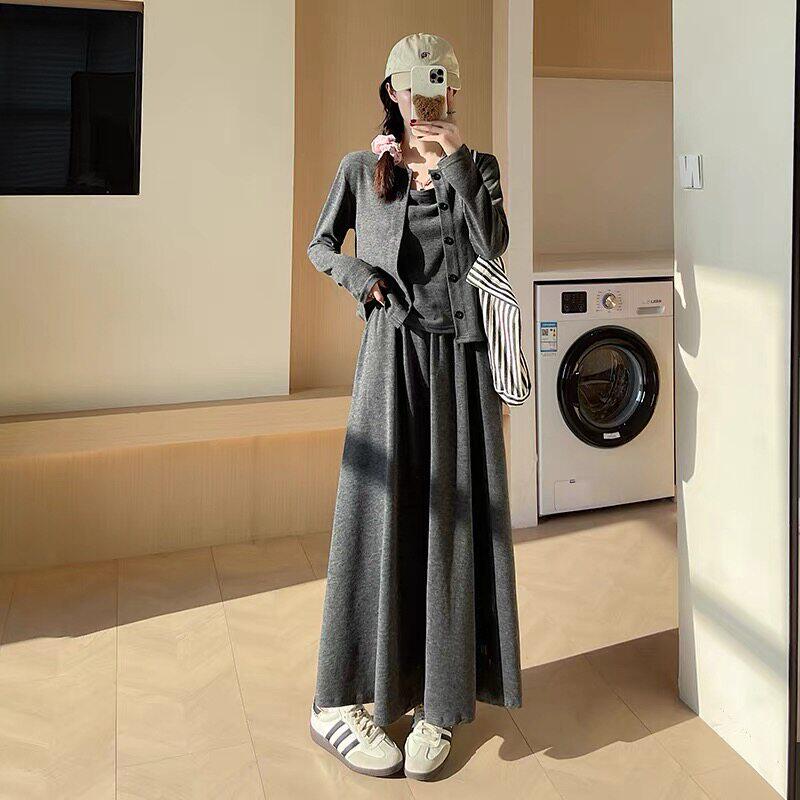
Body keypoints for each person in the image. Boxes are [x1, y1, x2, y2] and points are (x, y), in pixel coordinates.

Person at [305, 32, 522, 782]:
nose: (429, 101)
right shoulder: (360, 168)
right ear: (393, 91)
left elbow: (493, 244)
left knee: (453, 527)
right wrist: (362, 278)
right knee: (376, 517)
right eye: (416, 89)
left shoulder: (478, 167)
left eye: (442, 89)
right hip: (389, 361)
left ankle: (439, 701)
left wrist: (454, 160)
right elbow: (320, 245)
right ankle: (336, 698)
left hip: (460, 365)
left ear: (452, 92)